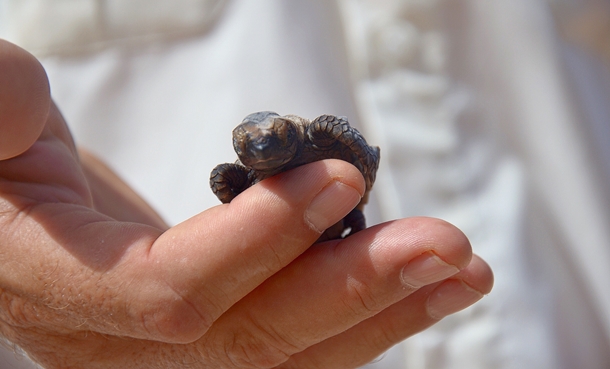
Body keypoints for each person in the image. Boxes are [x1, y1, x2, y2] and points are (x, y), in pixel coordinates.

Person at [1, 0, 609, 368]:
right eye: (253, 147)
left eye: (272, 142)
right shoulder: (244, 169)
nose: (263, 150)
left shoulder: (318, 140)